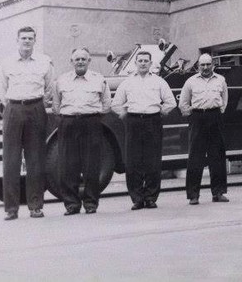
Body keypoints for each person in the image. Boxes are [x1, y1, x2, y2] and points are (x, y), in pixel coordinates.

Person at [0, 26, 54, 221]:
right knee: (11, 160)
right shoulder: (7, 63)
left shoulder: (44, 62)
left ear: (35, 41)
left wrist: (37, 104)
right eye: (23, 38)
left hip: (36, 109)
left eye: (30, 38)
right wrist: (13, 106)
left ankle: (36, 206)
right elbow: (2, 88)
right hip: (13, 109)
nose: (27, 41)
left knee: (36, 160)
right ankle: (11, 209)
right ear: (17, 40)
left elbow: (49, 87)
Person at [111, 50, 176, 209]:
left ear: (151, 63)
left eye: (146, 61)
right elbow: (116, 103)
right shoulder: (127, 83)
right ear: (135, 63)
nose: (143, 63)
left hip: (153, 121)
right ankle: (137, 199)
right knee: (133, 161)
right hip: (133, 122)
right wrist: (124, 114)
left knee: (153, 161)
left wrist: (161, 112)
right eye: (140, 61)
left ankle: (151, 197)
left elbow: (171, 102)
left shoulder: (159, 82)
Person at [52, 48, 111, 215]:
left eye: (83, 59)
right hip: (68, 123)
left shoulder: (99, 80)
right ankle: (71, 204)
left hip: (91, 123)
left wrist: (91, 116)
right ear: (71, 62)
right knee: (67, 165)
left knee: (91, 164)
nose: (80, 62)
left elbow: (106, 105)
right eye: (77, 59)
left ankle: (91, 203)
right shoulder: (61, 81)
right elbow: (56, 106)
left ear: (89, 61)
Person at [179, 53, 229, 204]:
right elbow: (183, 103)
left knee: (217, 156)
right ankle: (193, 195)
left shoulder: (221, 80)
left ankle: (218, 193)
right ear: (198, 66)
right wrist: (192, 115)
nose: (205, 67)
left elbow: (225, 99)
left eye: (208, 64)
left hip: (215, 118)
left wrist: (219, 111)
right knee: (195, 157)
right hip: (197, 118)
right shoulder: (190, 82)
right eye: (202, 65)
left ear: (213, 65)